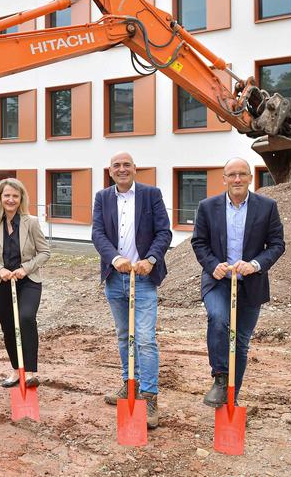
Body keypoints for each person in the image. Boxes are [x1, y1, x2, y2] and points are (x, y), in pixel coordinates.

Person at [190, 158, 285, 408]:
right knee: (219, 319)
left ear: (251, 178)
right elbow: (199, 243)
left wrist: (254, 264)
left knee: (241, 342)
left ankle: (231, 396)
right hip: (218, 281)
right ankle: (220, 378)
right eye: (231, 175)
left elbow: (277, 244)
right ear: (224, 179)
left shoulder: (267, 207)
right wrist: (213, 265)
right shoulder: (207, 207)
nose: (237, 179)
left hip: (251, 284)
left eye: (242, 174)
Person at [91, 152, 171, 429]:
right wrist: (116, 259)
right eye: (117, 166)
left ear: (135, 169)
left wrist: (150, 260)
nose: (122, 169)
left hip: (144, 277)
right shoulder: (103, 198)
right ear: (110, 171)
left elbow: (164, 232)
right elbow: (98, 234)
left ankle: (149, 397)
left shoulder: (151, 194)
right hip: (116, 277)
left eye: (127, 165)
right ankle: (130, 384)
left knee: (146, 339)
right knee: (124, 336)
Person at [0, 178, 50, 387]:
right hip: (2, 283)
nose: (11, 199)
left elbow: (44, 252)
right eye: (7, 195)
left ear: (21, 199)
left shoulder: (32, 222)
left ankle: (29, 372)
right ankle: (16, 370)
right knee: (9, 327)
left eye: (15, 196)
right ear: (0, 198)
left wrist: (24, 269)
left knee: (26, 318)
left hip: (28, 281)